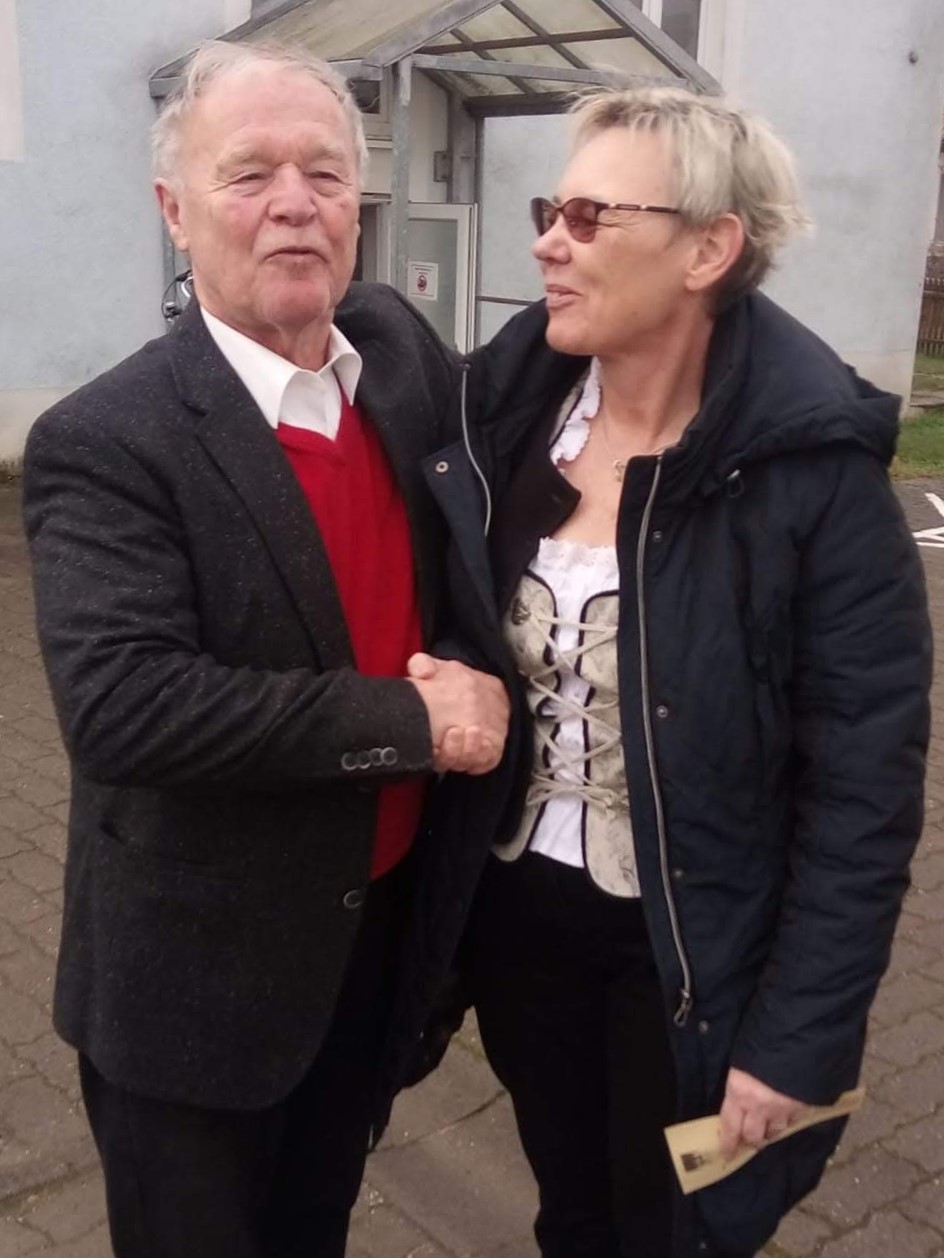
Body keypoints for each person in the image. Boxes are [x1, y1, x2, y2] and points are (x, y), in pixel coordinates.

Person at [405, 87, 931, 1258]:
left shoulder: (809, 475)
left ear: (707, 249)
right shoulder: (507, 421)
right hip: (518, 920)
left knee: (673, 1233)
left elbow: (861, 791)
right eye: (550, 210)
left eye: (589, 216)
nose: (547, 241)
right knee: (570, 1210)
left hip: (692, 948)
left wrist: (798, 1037)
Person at [22, 40, 509, 1258]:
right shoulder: (108, 439)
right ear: (172, 211)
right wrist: (415, 722)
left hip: (368, 948)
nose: (295, 202)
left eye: (325, 173)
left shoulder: (397, 364)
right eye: (248, 174)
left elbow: (545, 396)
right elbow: (125, 706)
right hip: (195, 996)